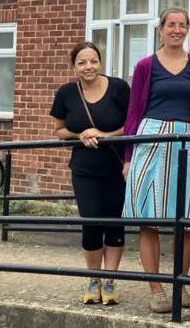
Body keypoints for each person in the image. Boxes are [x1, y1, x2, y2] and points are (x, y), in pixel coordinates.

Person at [122, 8, 190, 314]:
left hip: (188, 139)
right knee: (149, 218)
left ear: (187, 30)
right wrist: (129, 156)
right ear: (160, 29)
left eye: (182, 25)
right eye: (170, 24)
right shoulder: (146, 66)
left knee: (186, 221)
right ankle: (156, 289)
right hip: (151, 138)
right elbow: (134, 111)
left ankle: (179, 284)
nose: (176, 29)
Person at [50, 41, 130, 306]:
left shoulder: (118, 88)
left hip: (116, 168)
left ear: (100, 62)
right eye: (82, 62)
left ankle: (110, 281)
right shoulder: (66, 93)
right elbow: (60, 130)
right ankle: (93, 279)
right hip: (84, 169)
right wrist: (79, 134)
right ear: (74, 66)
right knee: (91, 224)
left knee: (114, 224)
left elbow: (132, 125)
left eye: (93, 61)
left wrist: (104, 135)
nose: (88, 67)